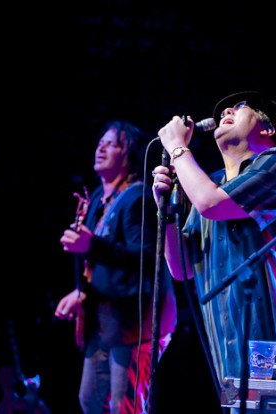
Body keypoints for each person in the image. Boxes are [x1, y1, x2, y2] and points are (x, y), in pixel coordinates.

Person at [151, 91, 276, 399]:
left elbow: (210, 204)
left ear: (268, 129)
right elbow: (181, 269)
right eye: (223, 111)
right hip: (236, 361)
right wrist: (165, 213)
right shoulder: (212, 185)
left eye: (240, 107)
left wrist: (178, 150)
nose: (227, 111)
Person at [54, 120, 177, 414]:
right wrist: (81, 292)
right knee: (91, 401)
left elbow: (150, 258)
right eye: (101, 142)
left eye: (113, 143)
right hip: (104, 321)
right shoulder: (99, 198)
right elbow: (98, 262)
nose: (102, 147)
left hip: (136, 323)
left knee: (126, 406)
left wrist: (92, 246)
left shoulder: (138, 197)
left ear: (129, 153)